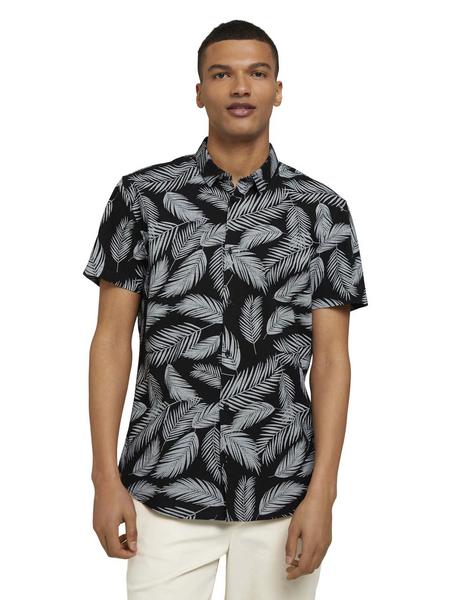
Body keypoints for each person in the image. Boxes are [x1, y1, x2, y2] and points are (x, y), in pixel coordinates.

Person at [82, 19, 369, 600]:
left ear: (277, 90)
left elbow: (332, 360)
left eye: (257, 73)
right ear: (199, 92)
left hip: (283, 487)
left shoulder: (321, 211)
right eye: (222, 74)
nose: (240, 87)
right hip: (165, 483)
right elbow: (111, 340)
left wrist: (324, 494)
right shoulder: (142, 199)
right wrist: (103, 478)